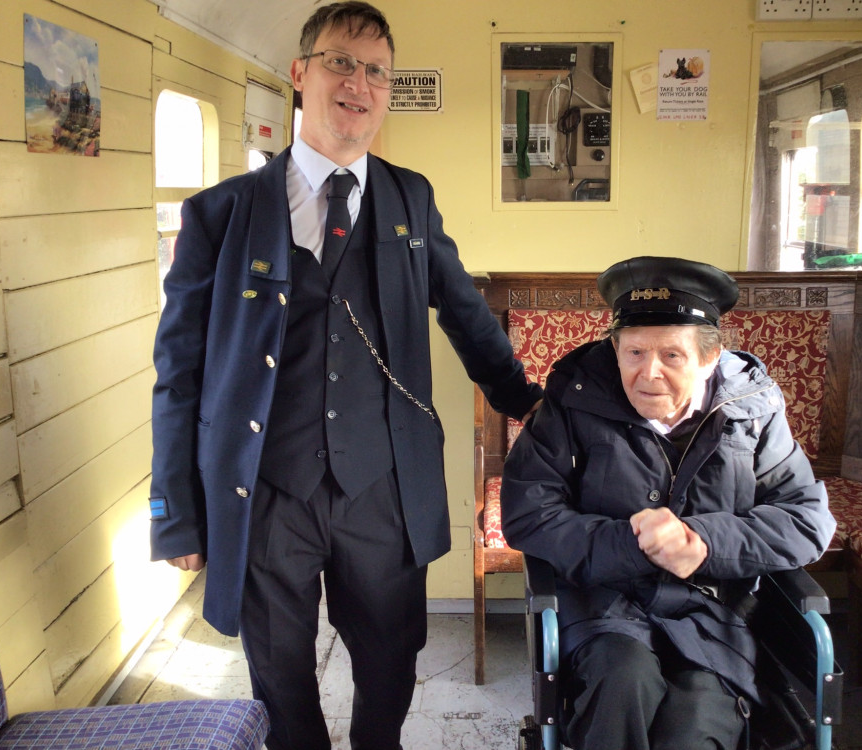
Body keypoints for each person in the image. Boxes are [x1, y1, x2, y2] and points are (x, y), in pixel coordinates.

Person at [147, 4, 542, 749]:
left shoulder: (410, 200)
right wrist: (175, 512)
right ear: (300, 74)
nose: (358, 83)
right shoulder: (219, 216)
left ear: (387, 92)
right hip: (265, 491)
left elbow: (466, 314)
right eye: (340, 62)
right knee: (279, 676)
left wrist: (533, 405)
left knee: (391, 665)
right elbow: (179, 373)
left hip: (384, 489)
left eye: (376, 72)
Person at [501, 256, 836, 750]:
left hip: (717, 609)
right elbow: (530, 513)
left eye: (671, 356)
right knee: (619, 687)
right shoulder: (573, 401)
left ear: (710, 356)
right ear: (614, 348)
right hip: (603, 603)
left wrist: (702, 543)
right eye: (633, 351)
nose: (647, 373)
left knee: (694, 723)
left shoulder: (753, 409)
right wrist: (634, 544)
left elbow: (806, 521)